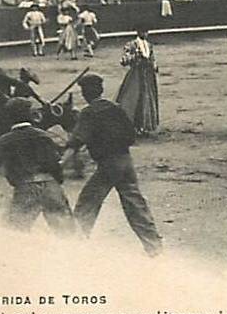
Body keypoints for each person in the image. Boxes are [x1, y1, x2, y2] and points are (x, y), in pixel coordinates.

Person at [60, 74, 163, 257]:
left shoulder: (89, 112)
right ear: (101, 90)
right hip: (126, 161)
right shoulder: (116, 108)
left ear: (85, 93)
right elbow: (131, 136)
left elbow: (76, 141)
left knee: (87, 203)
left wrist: (60, 164)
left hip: (108, 165)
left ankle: (74, 245)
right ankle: (154, 246)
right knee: (135, 204)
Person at [0, 98, 76, 235]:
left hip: (26, 189)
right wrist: (56, 184)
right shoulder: (43, 136)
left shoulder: (6, 140)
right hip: (51, 187)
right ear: (31, 116)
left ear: (9, 118)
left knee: (14, 233)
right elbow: (55, 165)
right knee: (67, 232)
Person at [116, 27, 160, 136]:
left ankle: (144, 126)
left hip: (148, 76)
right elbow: (123, 61)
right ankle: (133, 127)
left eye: (146, 32)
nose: (145, 34)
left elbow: (152, 59)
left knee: (147, 100)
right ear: (139, 32)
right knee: (133, 99)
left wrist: (154, 66)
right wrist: (135, 55)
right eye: (144, 32)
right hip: (135, 75)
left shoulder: (149, 45)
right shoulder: (131, 45)